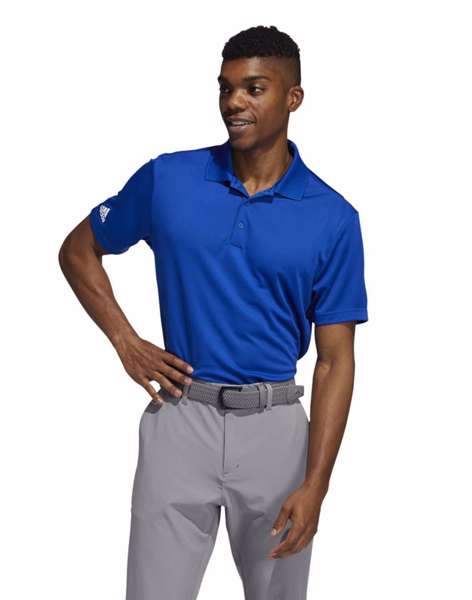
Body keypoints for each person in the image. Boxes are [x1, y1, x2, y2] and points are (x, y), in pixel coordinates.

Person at [59, 24, 368, 600]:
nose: (233, 102)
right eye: (226, 88)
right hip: (180, 419)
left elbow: (334, 362)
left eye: (253, 89)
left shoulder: (333, 217)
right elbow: (78, 250)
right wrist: (126, 341)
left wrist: (317, 484)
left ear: (293, 98)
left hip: (276, 431)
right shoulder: (168, 179)